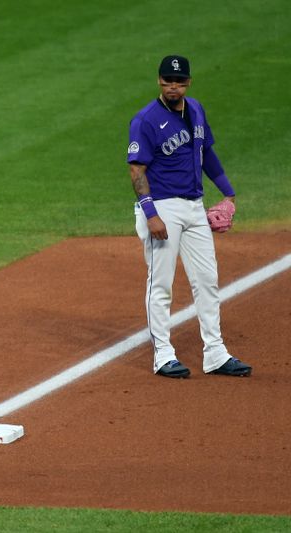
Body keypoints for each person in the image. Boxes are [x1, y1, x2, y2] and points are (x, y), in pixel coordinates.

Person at [127, 55, 252, 379]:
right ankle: (163, 355)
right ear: (159, 81)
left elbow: (205, 151)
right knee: (161, 285)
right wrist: (151, 214)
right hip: (162, 207)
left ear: (188, 83)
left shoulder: (195, 109)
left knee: (207, 281)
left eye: (179, 81)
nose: (173, 86)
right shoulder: (146, 120)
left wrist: (228, 192)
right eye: (168, 80)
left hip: (195, 207)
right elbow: (136, 170)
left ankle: (215, 354)